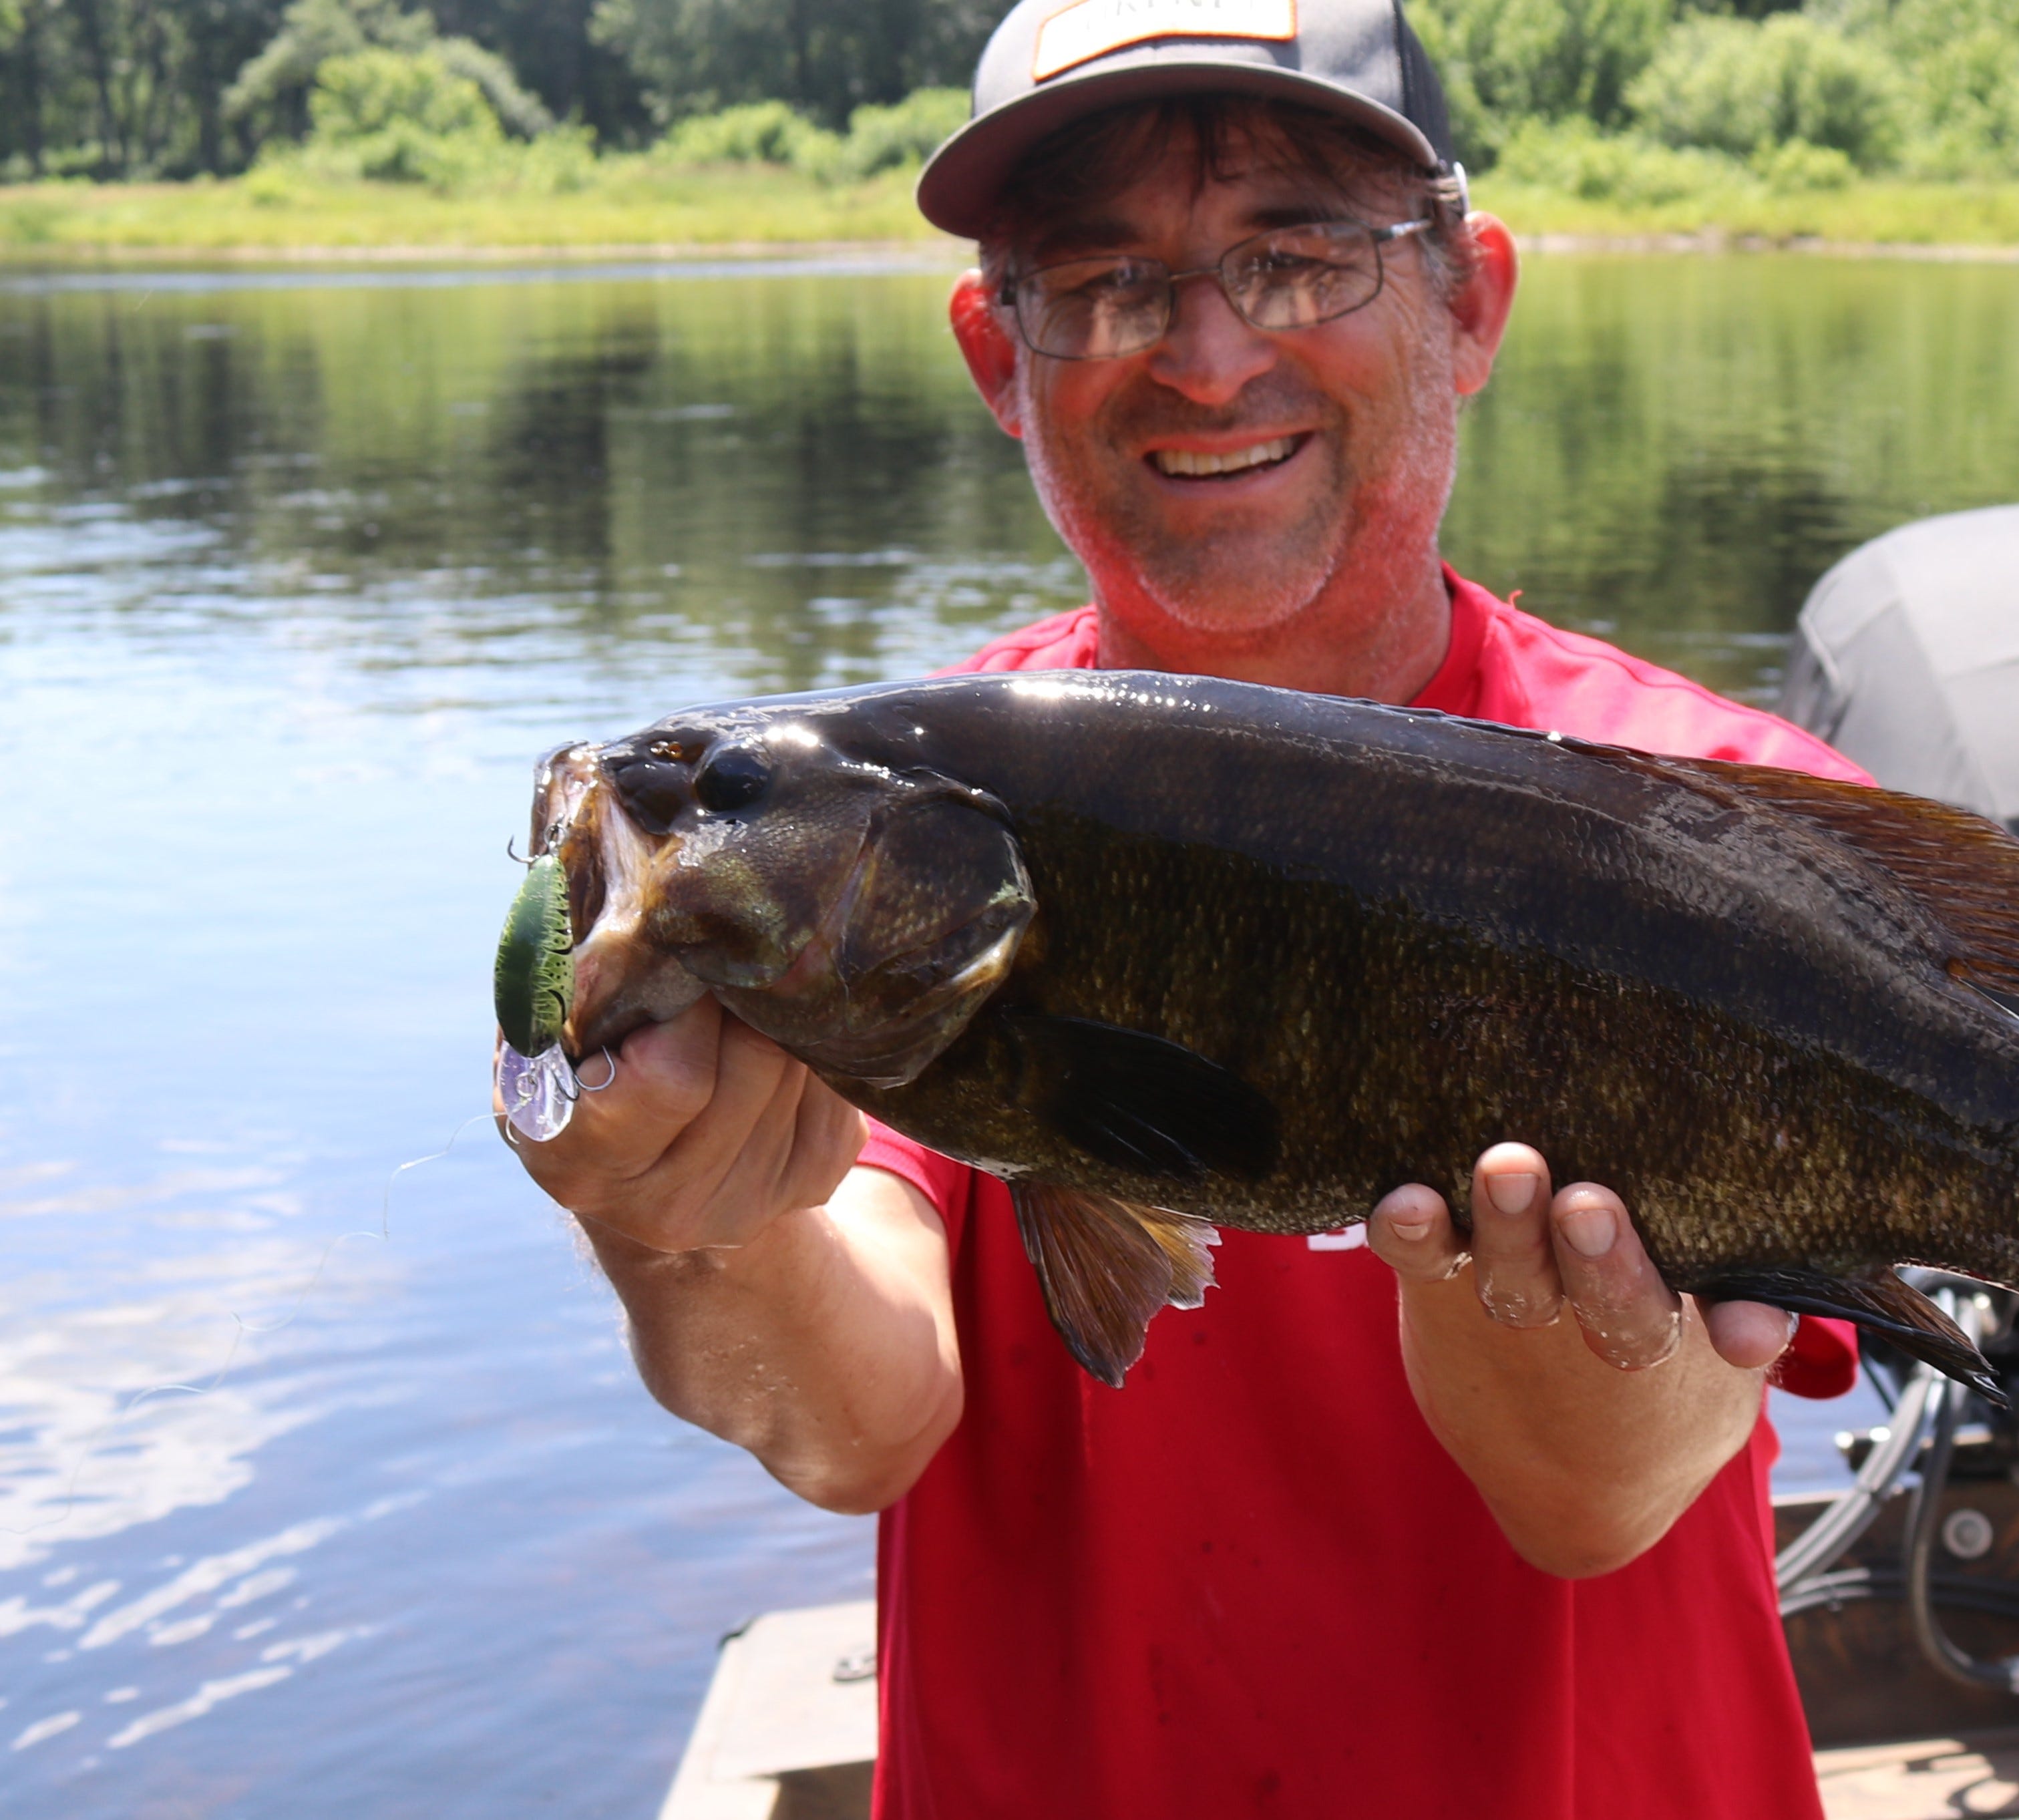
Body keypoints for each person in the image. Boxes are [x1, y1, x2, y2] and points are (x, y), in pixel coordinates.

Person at [510, 2, 1876, 1814]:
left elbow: (1599, 1503)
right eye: (1106, 281)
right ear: (1001, 357)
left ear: (1470, 302)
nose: (1212, 355)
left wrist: (1545, 1307)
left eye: (1299, 257)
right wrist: (686, 1222)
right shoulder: (896, 846)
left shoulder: (1721, 836)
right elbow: (856, 1416)